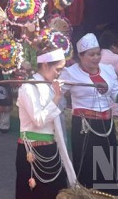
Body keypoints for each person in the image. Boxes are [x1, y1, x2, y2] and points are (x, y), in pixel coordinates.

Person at [60, 33, 118, 196]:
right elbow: (56, 96)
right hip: (84, 128)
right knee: (87, 169)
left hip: (106, 126)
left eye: (98, 53)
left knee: (108, 168)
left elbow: (116, 96)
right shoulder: (69, 73)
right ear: (81, 56)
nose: (96, 58)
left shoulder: (108, 70)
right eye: (91, 54)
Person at [15, 42, 74, 198]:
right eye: (58, 69)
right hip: (32, 153)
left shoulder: (50, 86)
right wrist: (56, 97)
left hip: (51, 149)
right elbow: (39, 120)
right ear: (46, 65)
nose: (59, 74)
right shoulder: (28, 87)